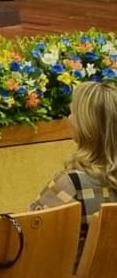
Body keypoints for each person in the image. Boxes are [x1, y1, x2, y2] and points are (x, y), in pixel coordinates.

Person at [31, 80, 117, 265]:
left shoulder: (70, 184)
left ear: (86, 126)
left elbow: (31, 245)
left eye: (72, 113)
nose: (69, 119)